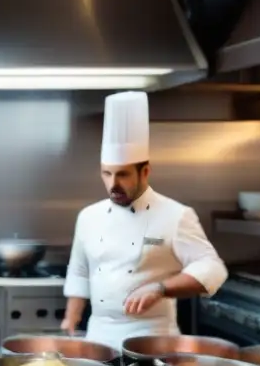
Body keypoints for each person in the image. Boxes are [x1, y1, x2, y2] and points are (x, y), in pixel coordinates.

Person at [61, 91, 228, 348]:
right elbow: (80, 271)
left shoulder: (175, 215)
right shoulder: (88, 216)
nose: (113, 184)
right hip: (98, 340)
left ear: (145, 172)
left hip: (153, 343)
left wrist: (160, 288)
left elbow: (213, 268)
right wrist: (71, 319)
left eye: (123, 175)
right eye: (106, 174)